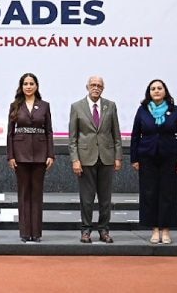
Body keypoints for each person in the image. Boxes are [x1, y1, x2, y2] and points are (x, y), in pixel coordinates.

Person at [130, 78, 177, 244]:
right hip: (147, 158)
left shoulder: (174, 110)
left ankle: (166, 230)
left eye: (159, 88)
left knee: (167, 194)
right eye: (153, 88)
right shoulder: (142, 111)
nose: (156, 91)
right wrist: (134, 158)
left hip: (169, 157)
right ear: (149, 92)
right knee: (149, 194)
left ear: (165, 91)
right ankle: (154, 229)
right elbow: (135, 136)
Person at [68, 75, 122, 243]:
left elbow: (116, 135)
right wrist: (75, 159)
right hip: (85, 159)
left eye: (99, 85)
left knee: (105, 199)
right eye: (93, 85)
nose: (96, 87)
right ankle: (86, 231)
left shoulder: (110, 106)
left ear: (103, 88)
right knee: (87, 198)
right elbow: (73, 137)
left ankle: (104, 230)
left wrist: (118, 157)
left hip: (106, 158)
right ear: (87, 87)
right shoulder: (77, 107)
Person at [6, 72, 55, 242]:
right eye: (25, 83)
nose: (28, 86)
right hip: (20, 154)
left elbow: (49, 131)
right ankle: (25, 232)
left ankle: (37, 233)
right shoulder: (15, 105)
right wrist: (10, 156)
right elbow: (10, 133)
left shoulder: (44, 105)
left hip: (40, 154)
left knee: (37, 194)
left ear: (36, 86)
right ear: (21, 86)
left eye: (31, 83)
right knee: (24, 193)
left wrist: (50, 154)